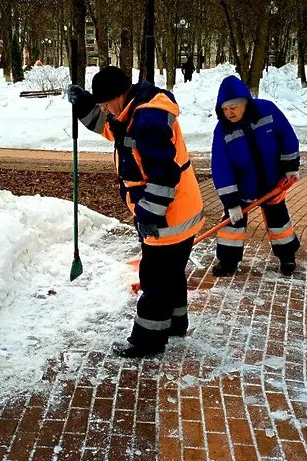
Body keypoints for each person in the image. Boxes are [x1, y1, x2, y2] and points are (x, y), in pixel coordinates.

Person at [67, 66, 205, 358]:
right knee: (171, 273)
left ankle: (147, 341)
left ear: (119, 96)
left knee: (155, 278)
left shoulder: (148, 121)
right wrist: (84, 105)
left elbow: (164, 175)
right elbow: (111, 128)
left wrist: (149, 216)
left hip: (169, 216)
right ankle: (175, 325)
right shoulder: (133, 110)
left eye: (104, 102)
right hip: (180, 210)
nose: (104, 108)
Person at [210, 75, 301, 277]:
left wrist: (290, 166)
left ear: (244, 103)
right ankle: (228, 261)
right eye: (224, 109)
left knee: (279, 222)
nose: (229, 112)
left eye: (233, 107)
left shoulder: (267, 110)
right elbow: (220, 166)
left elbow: (287, 136)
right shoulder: (222, 130)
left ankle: (287, 257)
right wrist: (231, 202)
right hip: (242, 188)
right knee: (232, 225)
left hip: (272, 183)